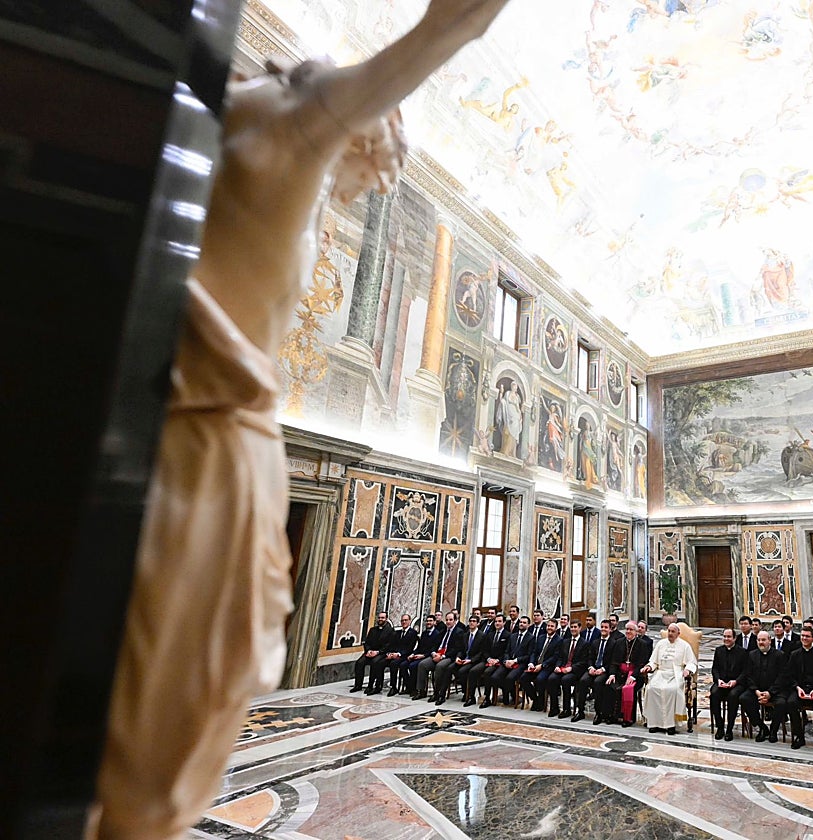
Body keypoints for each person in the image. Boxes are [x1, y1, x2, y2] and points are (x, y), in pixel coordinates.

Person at [93, 5, 515, 834]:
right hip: (211, 444)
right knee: (164, 745)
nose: (359, 194)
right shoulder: (291, 126)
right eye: (369, 174)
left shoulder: (197, 124)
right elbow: (442, 33)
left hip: (137, 411)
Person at [643, 623, 699, 735]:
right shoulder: (661, 644)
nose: (670, 634)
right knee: (651, 689)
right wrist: (649, 667)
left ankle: (671, 725)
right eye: (669, 631)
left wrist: (687, 670)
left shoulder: (685, 646)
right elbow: (654, 661)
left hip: (676, 674)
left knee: (672, 690)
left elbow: (691, 662)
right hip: (660, 674)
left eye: (673, 631)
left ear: (678, 633)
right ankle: (654, 723)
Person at [784, 626, 813, 751]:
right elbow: (789, 675)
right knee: (791, 702)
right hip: (800, 689)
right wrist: (797, 688)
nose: (804, 638)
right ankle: (799, 736)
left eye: (807, 636)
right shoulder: (794, 655)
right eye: (802, 636)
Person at [741, 630, 790, 743]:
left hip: (775, 691)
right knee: (744, 698)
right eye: (758, 640)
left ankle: (773, 730)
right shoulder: (752, 655)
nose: (761, 642)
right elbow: (748, 675)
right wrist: (756, 691)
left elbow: (782, 676)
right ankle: (762, 727)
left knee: (781, 703)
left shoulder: (779, 655)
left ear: (770, 641)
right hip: (757, 690)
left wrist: (770, 693)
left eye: (763, 640)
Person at [416, 610, 466, 702]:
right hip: (437, 654)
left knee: (439, 667)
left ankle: (437, 693)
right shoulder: (442, 631)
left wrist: (442, 656)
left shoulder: (459, 632)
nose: (448, 622)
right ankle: (421, 691)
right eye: (447, 620)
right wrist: (434, 653)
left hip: (448, 657)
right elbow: (435, 645)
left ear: (455, 621)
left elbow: (457, 649)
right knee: (422, 664)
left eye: (450, 620)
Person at [608, 621, 650, 727]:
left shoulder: (642, 644)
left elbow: (642, 663)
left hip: (636, 675)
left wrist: (633, 676)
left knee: (628, 688)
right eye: (627, 629)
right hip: (620, 673)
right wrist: (612, 674)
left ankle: (628, 718)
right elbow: (613, 661)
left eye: (631, 629)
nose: (628, 631)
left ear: (636, 632)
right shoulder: (619, 642)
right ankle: (614, 716)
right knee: (611, 686)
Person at [710, 628, 748, 742]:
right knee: (714, 694)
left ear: (734, 638)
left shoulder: (742, 652)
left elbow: (745, 671)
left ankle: (729, 728)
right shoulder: (719, 650)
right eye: (725, 637)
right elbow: (715, 668)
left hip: (736, 683)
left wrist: (735, 681)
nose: (726, 639)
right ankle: (720, 726)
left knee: (733, 696)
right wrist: (718, 680)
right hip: (722, 682)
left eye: (729, 637)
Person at [487, 615, 532, 708]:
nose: (521, 624)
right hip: (507, 662)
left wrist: (515, 661)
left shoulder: (531, 637)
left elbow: (528, 655)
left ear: (528, 625)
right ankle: (507, 694)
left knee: (509, 678)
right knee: (495, 677)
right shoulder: (513, 636)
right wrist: (507, 660)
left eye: (524, 623)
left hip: (520, 663)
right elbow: (506, 651)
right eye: (521, 622)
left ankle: (511, 696)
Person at [577, 619, 616, 723]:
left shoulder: (613, 644)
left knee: (598, 683)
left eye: (606, 627)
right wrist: (591, 667)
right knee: (583, 681)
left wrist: (602, 669)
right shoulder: (595, 642)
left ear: (610, 629)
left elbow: (613, 662)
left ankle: (598, 713)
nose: (603, 629)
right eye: (602, 627)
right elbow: (590, 658)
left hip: (604, 671)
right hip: (593, 669)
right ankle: (580, 711)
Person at [547, 620, 588, 718]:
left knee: (565, 680)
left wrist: (571, 668)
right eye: (572, 627)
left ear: (579, 628)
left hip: (575, 670)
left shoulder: (584, 643)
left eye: (575, 627)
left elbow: (584, 662)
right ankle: (554, 707)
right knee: (552, 679)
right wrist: (557, 666)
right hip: (563, 668)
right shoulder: (565, 642)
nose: (573, 629)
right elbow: (560, 657)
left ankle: (567, 709)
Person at [464, 615, 508, 706]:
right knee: (473, 671)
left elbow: (507, 652)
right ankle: (471, 697)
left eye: (499, 621)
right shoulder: (490, 634)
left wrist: (497, 660)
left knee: (488, 672)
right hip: (487, 660)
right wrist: (488, 658)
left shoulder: (508, 635)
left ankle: (487, 698)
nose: (497, 623)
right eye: (496, 621)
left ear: (504, 623)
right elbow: (485, 650)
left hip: (499, 662)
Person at [444, 614, 487, 706]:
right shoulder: (465, 635)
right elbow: (461, 649)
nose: (471, 623)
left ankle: (470, 696)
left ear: (478, 624)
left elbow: (482, 652)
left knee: (463, 671)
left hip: (475, 660)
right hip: (464, 659)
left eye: (474, 621)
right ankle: (441, 694)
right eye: (470, 621)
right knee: (449, 668)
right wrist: (458, 657)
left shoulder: (482, 636)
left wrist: (471, 660)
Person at [522, 619, 561, 711]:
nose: (549, 628)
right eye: (548, 626)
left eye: (552, 626)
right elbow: (534, 652)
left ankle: (541, 701)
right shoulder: (540, 637)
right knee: (523, 678)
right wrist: (531, 663)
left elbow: (555, 657)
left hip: (547, 667)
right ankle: (535, 699)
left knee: (540, 679)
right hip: (535, 665)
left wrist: (542, 665)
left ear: (556, 628)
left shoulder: (559, 640)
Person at [350, 612, 393, 694]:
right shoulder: (372, 630)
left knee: (375, 663)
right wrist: (368, 651)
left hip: (381, 653)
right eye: (379, 617)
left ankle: (371, 686)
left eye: (382, 618)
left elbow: (388, 645)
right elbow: (367, 642)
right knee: (359, 663)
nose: (380, 619)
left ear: (386, 619)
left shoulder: (390, 631)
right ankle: (358, 685)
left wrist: (377, 652)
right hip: (370, 652)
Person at [381, 614, 419, 696]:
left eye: (405, 620)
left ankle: (394, 687)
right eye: (402, 620)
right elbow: (392, 645)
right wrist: (390, 653)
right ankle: (378, 685)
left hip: (406, 655)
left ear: (409, 621)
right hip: (395, 655)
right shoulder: (397, 633)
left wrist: (398, 654)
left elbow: (410, 648)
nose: (404, 622)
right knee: (380, 662)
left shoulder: (413, 633)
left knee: (394, 664)